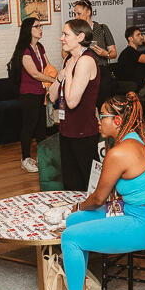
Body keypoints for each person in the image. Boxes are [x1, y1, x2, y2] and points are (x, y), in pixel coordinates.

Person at [45, 92, 145, 290]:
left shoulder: (119, 153)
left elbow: (98, 198)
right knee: (74, 221)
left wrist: (77, 205)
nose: (97, 121)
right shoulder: (140, 138)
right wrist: (76, 212)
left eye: (101, 117)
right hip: (138, 211)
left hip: (143, 223)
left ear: (117, 121)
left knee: (71, 237)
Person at [47, 19, 100, 192]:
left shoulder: (86, 60)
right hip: (66, 130)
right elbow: (52, 96)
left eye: (66, 34)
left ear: (80, 37)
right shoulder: (69, 59)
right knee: (71, 185)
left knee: (88, 185)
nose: (61, 38)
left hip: (83, 133)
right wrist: (61, 75)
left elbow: (71, 102)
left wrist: (69, 72)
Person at [10, 17, 50, 173]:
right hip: (29, 94)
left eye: (41, 26)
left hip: (41, 93)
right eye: (37, 26)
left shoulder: (40, 47)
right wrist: (55, 80)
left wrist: (52, 81)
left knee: (41, 127)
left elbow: (47, 67)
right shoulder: (25, 50)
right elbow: (35, 74)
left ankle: (42, 156)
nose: (41, 29)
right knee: (29, 126)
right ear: (29, 30)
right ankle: (25, 158)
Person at [71, 0, 117, 106]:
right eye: (74, 14)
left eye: (79, 14)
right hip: (82, 72)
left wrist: (105, 54)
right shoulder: (74, 31)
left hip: (101, 72)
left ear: (88, 12)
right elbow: (64, 53)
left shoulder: (102, 29)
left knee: (102, 105)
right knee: (86, 105)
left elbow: (114, 53)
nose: (76, 17)